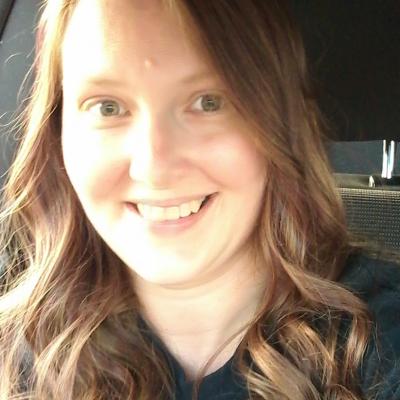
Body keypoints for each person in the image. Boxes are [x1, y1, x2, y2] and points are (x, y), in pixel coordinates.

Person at [0, 0, 399, 399]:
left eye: (209, 102)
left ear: (281, 122)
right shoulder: (17, 355)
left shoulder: (382, 340)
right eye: (108, 107)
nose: (154, 168)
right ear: (58, 130)